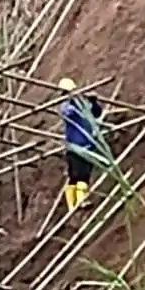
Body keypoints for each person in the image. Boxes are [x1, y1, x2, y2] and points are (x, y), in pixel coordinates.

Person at [57, 77, 103, 212]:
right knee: (77, 175)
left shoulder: (82, 105)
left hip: (87, 145)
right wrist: (75, 102)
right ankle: (75, 203)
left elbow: (96, 113)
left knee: (85, 174)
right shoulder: (65, 105)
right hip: (75, 147)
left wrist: (93, 102)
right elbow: (67, 112)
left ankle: (81, 200)